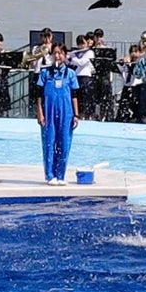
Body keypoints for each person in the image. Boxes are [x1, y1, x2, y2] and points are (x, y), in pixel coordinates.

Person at [36, 42, 80, 185]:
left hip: (66, 113)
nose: (57, 55)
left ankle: (61, 175)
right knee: (49, 143)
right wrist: (40, 112)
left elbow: (74, 95)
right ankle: (50, 176)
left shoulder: (70, 74)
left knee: (64, 144)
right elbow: (39, 95)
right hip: (48, 112)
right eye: (55, 53)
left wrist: (76, 114)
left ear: (65, 56)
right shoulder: (45, 73)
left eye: (60, 53)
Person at [68, 34, 96, 118]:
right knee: (77, 96)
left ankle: (86, 114)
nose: (81, 45)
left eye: (83, 43)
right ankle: (77, 113)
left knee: (86, 97)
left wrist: (72, 59)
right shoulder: (74, 53)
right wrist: (69, 58)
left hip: (86, 76)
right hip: (76, 76)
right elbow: (68, 62)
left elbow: (82, 62)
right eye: (79, 43)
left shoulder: (89, 52)